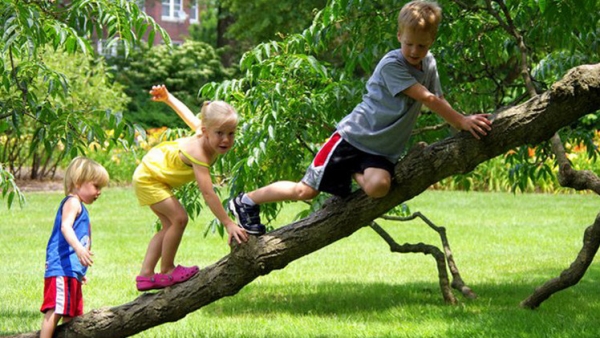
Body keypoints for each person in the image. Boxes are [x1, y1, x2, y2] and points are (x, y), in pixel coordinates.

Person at [229, 0, 493, 235]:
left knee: (379, 188)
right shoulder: (392, 65)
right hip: (352, 138)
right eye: (408, 43)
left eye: (421, 45)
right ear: (399, 35)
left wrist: (461, 121)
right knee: (305, 192)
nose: (414, 50)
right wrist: (461, 121)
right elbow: (426, 98)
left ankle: (355, 170)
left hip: (381, 151)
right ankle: (247, 200)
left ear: (432, 40)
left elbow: (438, 96)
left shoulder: (429, 63)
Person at [133, 85, 249, 292]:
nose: (226, 139)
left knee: (169, 225)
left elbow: (186, 114)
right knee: (179, 219)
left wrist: (168, 98)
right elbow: (208, 193)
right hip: (150, 178)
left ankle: (145, 275)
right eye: (220, 133)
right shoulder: (200, 154)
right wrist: (228, 223)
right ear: (206, 132)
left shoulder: (204, 132)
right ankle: (167, 269)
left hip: (152, 176)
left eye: (231, 133)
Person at [40, 157, 109, 338]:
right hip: (61, 268)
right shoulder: (73, 202)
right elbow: (65, 227)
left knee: (71, 314)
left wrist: (80, 271)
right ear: (78, 183)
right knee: (56, 309)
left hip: (71, 271)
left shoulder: (81, 206)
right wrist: (79, 249)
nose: (99, 192)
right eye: (96, 186)